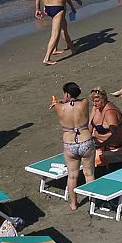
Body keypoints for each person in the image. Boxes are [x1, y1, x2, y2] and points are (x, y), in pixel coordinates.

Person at [51, 82, 95, 211]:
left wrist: (60, 101)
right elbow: (75, 102)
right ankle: (92, 200)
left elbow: (62, 103)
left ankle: (74, 203)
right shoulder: (85, 103)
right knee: (89, 173)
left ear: (66, 93)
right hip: (85, 140)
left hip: (70, 142)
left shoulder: (59, 107)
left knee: (72, 176)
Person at [35, 0, 82, 66]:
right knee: (55, 33)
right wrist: (78, 0)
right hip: (57, 8)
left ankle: (73, 49)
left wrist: (37, 9)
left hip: (47, 8)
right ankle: (47, 58)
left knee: (63, 28)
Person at [88, 88, 122, 160]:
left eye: (97, 101)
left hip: (113, 144)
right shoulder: (96, 107)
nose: (94, 104)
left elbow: (115, 134)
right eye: (93, 101)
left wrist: (102, 144)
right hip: (99, 140)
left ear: (104, 99)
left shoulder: (110, 112)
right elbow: (90, 124)